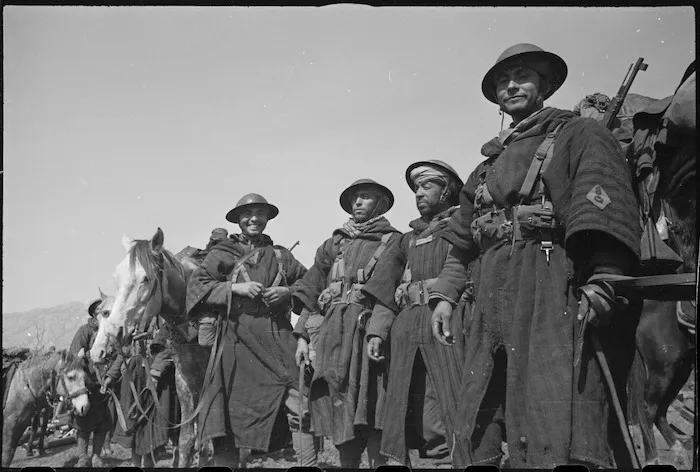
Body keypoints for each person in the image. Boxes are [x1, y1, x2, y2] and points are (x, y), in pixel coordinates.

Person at [429, 43, 642, 469]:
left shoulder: (578, 134)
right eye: (502, 82)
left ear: (544, 84)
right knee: (482, 398)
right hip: (490, 285)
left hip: (548, 275)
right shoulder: (486, 165)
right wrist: (445, 294)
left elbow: (603, 205)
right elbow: (462, 241)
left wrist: (604, 280)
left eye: (522, 76)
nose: (511, 86)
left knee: (551, 396)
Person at [185, 193, 319, 467]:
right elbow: (197, 286)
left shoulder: (281, 256)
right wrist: (234, 288)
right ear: (237, 220)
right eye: (247, 214)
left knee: (299, 404)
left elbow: (310, 286)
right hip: (234, 340)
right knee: (226, 416)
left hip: (277, 338)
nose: (254, 219)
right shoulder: (221, 254)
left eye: (260, 213)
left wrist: (287, 292)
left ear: (268, 218)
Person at [361, 161, 469, 466]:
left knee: (448, 409)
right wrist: (377, 331)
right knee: (416, 410)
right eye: (416, 188)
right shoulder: (404, 240)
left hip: (447, 327)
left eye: (427, 186)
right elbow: (385, 291)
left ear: (447, 190)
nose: (419, 193)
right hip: (407, 332)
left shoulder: (463, 226)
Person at [291, 179, 400, 468]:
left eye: (365, 197)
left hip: (367, 334)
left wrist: (377, 332)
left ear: (380, 203)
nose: (358, 203)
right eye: (354, 198)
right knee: (338, 403)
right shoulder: (334, 244)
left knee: (374, 406)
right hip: (332, 336)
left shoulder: (393, 241)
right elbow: (312, 291)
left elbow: (388, 295)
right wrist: (302, 335)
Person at [108, 320, 178, 467]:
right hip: (133, 378)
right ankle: (136, 464)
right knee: (134, 422)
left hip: (158, 377)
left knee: (154, 423)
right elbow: (123, 353)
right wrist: (111, 375)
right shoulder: (133, 322)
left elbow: (169, 347)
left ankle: (149, 463)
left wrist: (156, 371)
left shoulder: (163, 320)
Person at [68, 297, 114, 468]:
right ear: (95, 313)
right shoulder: (85, 331)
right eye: (102, 311)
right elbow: (74, 356)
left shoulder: (110, 330)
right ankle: (82, 457)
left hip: (105, 383)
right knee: (83, 423)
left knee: (102, 422)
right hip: (87, 385)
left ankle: (96, 456)